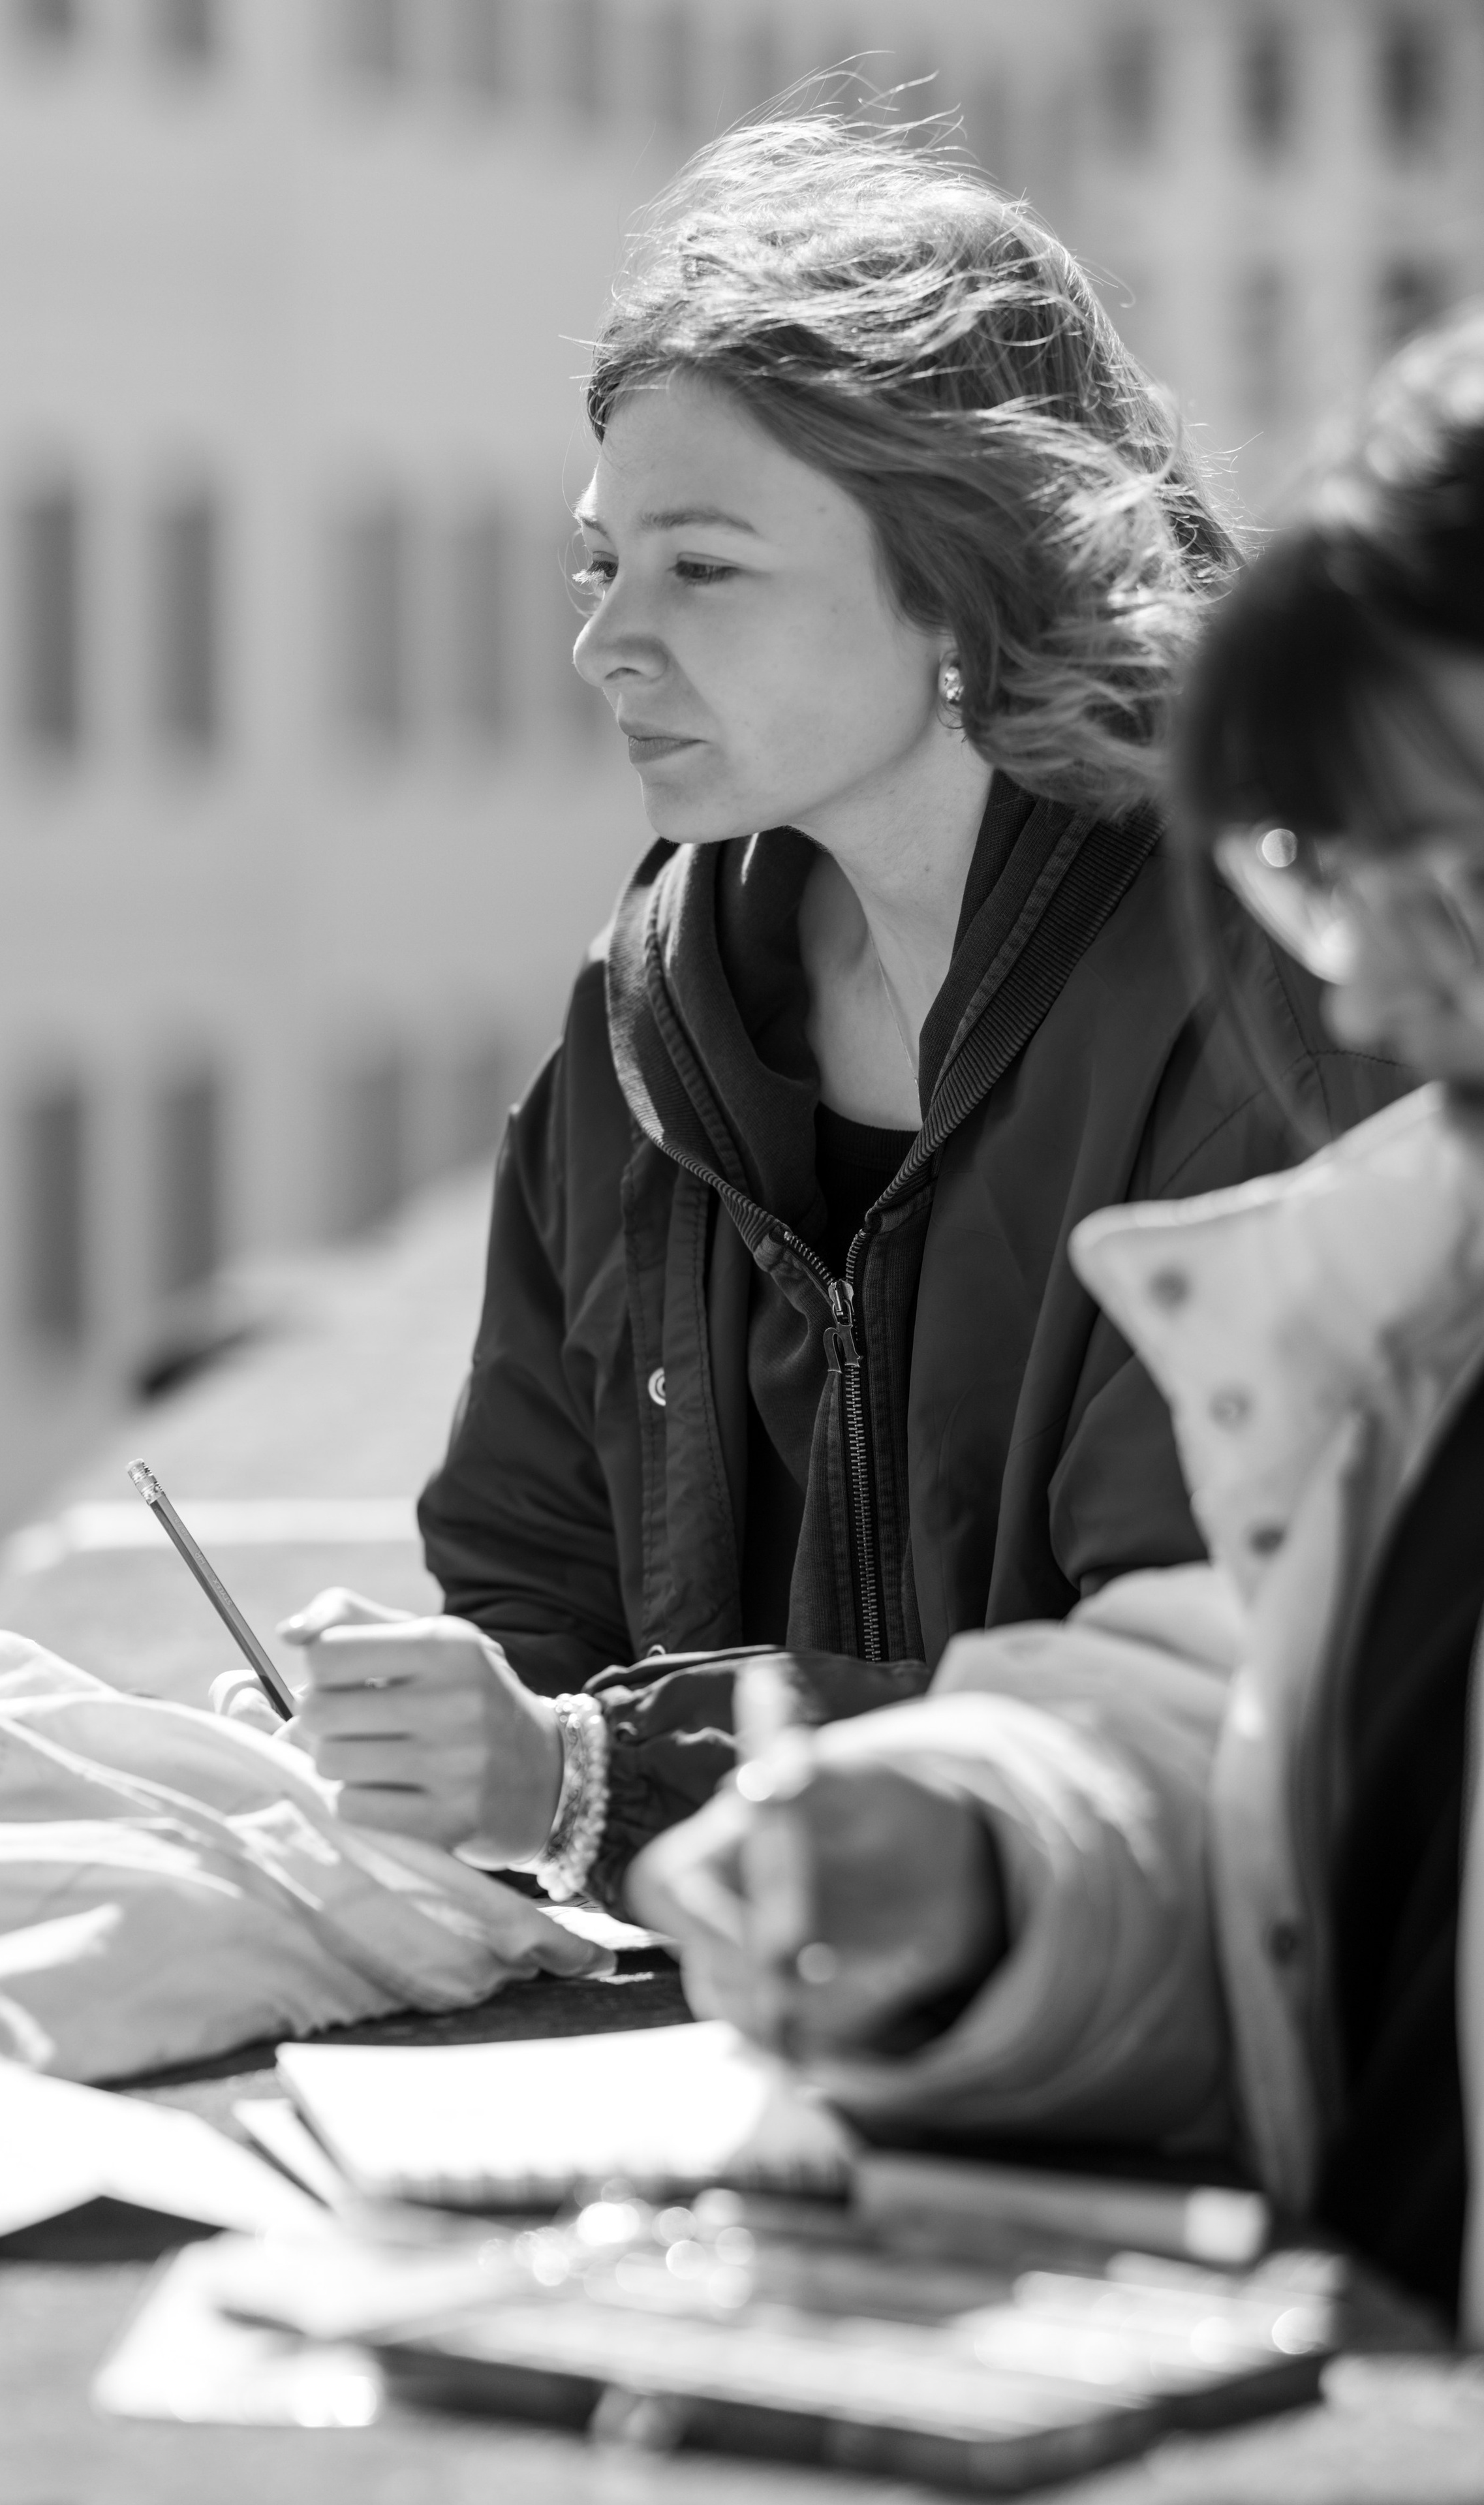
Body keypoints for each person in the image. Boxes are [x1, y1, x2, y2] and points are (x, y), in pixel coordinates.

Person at [271, 117, 1399, 1915]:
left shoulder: (1262, 1010)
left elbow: (1189, 1718)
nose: (607, 642)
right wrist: (435, 1737)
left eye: (703, 568)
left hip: (1119, 2095)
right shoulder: (644, 1023)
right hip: (725, 2047)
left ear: (961, 577)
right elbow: (525, 1577)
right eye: (601, 565)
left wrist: (594, 1779)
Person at [632, 304, 1484, 2336]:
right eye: (1316, 873)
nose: (1372, 995)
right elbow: (1264, 1763)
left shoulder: (1228, 1070)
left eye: (1447, 873)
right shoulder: (653, 997)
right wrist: (978, 1849)